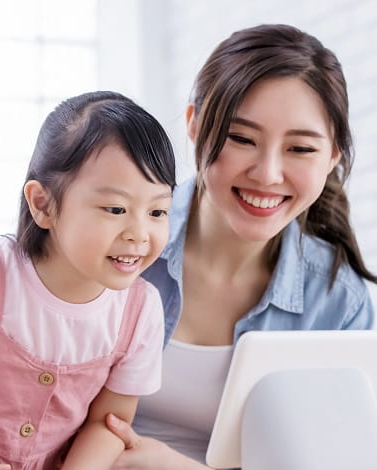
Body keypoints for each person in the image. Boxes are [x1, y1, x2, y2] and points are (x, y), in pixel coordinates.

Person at [104, 24, 377, 469]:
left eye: (301, 149)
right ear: (194, 124)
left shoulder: (338, 303)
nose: (268, 174)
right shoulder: (116, 240)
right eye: (242, 138)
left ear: (332, 159)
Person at [0, 91, 176, 469]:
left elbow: (109, 421)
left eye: (157, 211)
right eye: (115, 208)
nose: (139, 233)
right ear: (43, 205)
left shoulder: (140, 310)